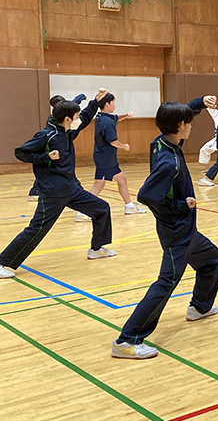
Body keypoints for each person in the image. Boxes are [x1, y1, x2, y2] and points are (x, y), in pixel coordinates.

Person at [111, 96, 218, 359]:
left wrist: (199, 103)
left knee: (210, 258)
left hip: (186, 231)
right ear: (180, 125)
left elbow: (179, 116)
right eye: (189, 122)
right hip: (177, 231)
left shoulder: (161, 141)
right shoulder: (168, 162)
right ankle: (127, 340)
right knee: (166, 282)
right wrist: (182, 205)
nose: (191, 126)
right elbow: (146, 196)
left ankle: (200, 307)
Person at [0, 89, 115, 279]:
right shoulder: (47, 135)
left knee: (101, 208)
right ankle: (2, 261)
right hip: (53, 192)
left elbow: (86, 116)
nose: (79, 119)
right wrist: (46, 157)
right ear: (67, 119)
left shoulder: (67, 131)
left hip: (71, 188)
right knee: (37, 228)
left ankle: (96, 249)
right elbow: (21, 152)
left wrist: (96, 101)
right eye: (76, 117)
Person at [74, 92, 147, 221]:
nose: (114, 105)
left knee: (122, 180)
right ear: (107, 104)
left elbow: (116, 118)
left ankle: (129, 206)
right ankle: (82, 212)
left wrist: (125, 116)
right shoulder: (107, 123)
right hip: (105, 159)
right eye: (113, 102)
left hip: (107, 158)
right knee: (98, 185)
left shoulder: (102, 117)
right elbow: (113, 141)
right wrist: (124, 146)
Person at [28, 93, 85, 201]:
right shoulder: (53, 119)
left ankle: (34, 191)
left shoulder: (59, 115)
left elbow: (73, 103)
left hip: (63, 144)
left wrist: (80, 98)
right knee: (49, 171)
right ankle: (34, 192)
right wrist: (81, 96)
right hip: (55, 147)